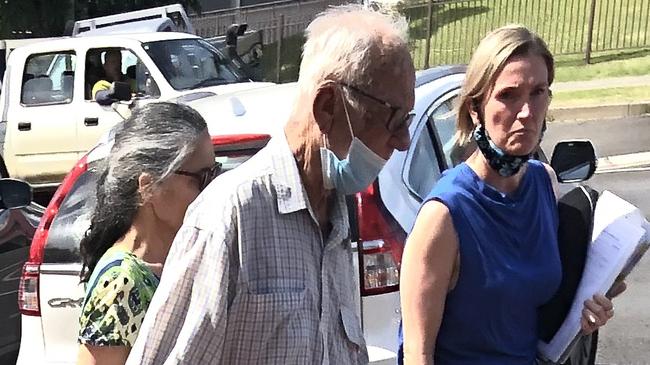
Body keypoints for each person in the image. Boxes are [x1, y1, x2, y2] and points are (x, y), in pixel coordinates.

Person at [126, 5, 415, 365]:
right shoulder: (231, 216)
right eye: (395, 119)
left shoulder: (337, 216)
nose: (403, 140)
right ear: (327, 107)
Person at [398, 25, 625, 365]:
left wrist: (586, 312)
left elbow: (540, 312)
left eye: (538, 92)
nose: (526, 112)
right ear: (476, 107)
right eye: (508, 95)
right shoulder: (444, 215)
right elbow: (418, 353)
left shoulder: (543, 183)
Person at [76, 102, 220, 365]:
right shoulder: (122, 282)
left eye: (215, 173)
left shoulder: (180, 258)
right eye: (201, 178)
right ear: (149, 186)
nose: (213, 189)